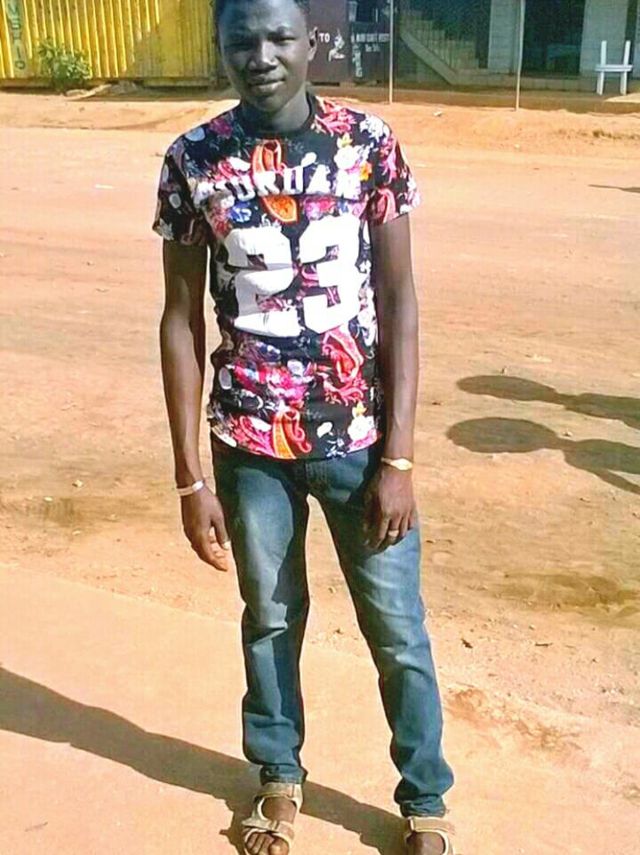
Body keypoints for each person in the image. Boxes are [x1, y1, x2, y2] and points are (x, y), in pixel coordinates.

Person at [153, 0, 454, 852]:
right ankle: (279, 778)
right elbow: (179, 320)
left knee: (397, 628)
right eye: (241, 40)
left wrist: (399, 457)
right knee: (272, 618)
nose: (262, 55)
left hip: (360, 442)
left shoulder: (368, 144)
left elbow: (398, 299)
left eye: (280, 36)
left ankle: (425, 800)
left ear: (311, 42)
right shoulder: (193, 159)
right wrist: (190, 477)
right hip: (249, 446)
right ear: (222, 48)